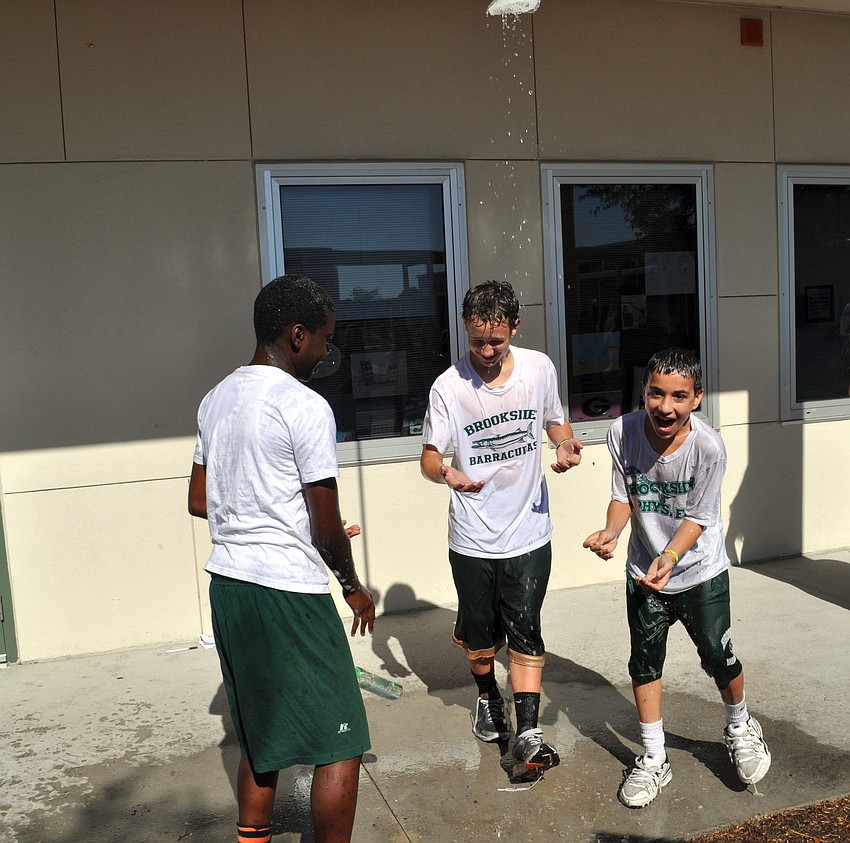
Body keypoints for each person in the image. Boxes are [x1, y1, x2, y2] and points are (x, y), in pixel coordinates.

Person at [188, 275, 376, 843]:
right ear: (297, 336)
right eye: (323, 339)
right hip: (286, 592)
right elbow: (325, 527)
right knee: (340, 741)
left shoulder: (216, 398)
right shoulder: (305, 405)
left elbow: (200, 500)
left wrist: (283, 516)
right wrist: (351, 585)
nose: (325, 352)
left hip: (229, 586)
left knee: (262, 740)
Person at [583, 347, 770, 809]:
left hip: (699, 570)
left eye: (679, 396)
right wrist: (611, 531)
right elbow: (623, 495)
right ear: (644, 392)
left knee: (718, 657)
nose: (665, 407)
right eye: (656, 393)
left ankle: (740, 724)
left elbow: (699, 518)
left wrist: (669, 555)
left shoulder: (709, 447)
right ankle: (653, 756)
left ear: (698, 398)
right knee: (644, 664)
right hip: (643, 571)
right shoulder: (620, 432)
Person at [420, 280, 582, 780]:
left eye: (496, 341)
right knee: (480, 636)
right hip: (471, 534)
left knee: (526, 626)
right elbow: (428, 457)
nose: (486, 353)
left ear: (515, 326)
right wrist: (446, 473)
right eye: (476, 342)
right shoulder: (449, 387)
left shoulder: (538, 368)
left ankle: (529, 733)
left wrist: (566, 444)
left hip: (529, 529)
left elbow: (555, 421)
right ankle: (488, 698)